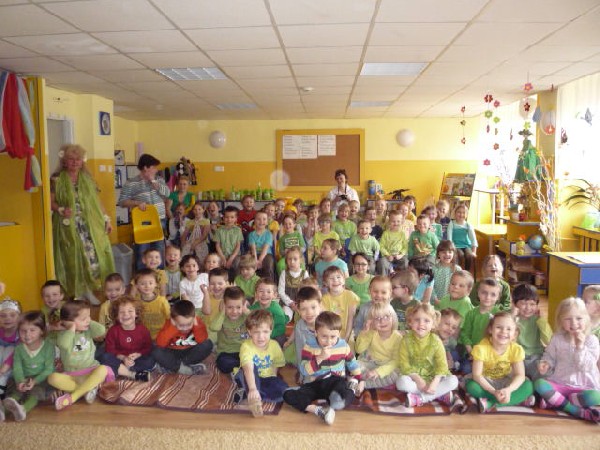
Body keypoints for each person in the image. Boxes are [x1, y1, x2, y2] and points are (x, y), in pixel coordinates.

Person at [51, 144, 115, 299]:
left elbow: (97, 202)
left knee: (93, 259)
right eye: (71, 159)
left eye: (78, 159)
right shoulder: (56, 180)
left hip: (89, 225)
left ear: (82, 162)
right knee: (74, 259)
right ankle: (80, 291)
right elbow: (50, 202)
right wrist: (60, 209)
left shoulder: (88, 179)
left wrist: (107, 219)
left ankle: (90, 289)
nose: (75, 162)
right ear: (64, 161)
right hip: (67, 226)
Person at [283, 311, 361, 425]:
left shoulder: (343, 345)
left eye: (333, 337)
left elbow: (352, 363)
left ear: (339, 334)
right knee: (287, 395)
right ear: (316, 333)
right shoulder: (309, 346)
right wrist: (319, 358)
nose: (329, 341)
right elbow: (304, 370)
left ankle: (349, 390)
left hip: (336, 381)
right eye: (324, 336)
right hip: (315, 383)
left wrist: (358, 378)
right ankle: (318, 410)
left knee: (341, 400)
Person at [534, 297, 600, 422]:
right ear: (561, 321)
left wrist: (580, 347)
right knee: (539, 384)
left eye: (579, 318)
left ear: (586, 319)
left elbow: (586, 366)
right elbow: (549, 355)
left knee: (596, 397)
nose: (574, 323)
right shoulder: (557, 338)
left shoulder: (592, 340)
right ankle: (574, 409)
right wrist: (546, 363)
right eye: (568, 319)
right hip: (560, 383)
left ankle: (556, 402)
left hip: (583, 387)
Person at [48, 299, 114, 410]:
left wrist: (88, 320)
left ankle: (73, 397)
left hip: (90, 372)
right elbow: (63, 345)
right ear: (69, 322)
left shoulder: (88, 331)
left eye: (89, 316)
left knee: (103, 369)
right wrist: (71, 327)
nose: (88, 320)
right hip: (72, 376)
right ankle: (87, 389)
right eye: (83, 319)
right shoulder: (64, 334)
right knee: (52, 378)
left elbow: (101, 330)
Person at [466, 312, 535, 412]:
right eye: (499, 327)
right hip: (486, 381)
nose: (503, 332)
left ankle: (491, 403)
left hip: (506, 381)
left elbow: (520, 375)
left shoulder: (516, 349)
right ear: (490, 329)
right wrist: (493, 391)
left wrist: (509, 390)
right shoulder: (481, 348)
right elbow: (477, 375)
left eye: (509, 329)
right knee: (471, 386)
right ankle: (514, 399)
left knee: (528, 386)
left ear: (515, 334)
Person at [396, 304, 459, 408]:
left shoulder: (436, 341)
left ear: (433, 324)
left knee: (453, 381)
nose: (421, 324)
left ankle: (421, 398)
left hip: (433, 377)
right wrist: (418, 379)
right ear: (410, 322)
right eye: (417, 320)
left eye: (426, 321)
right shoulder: (405, 340)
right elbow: (404, 364)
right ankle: (439, 394)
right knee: (401, 383)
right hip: (414, 377)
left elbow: (442, 366)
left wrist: (435, 382)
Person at [119, 153, 170, 271]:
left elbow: (167, 194)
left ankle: (159, 277)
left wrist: (154, 183)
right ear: (146, 168)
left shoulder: (159, 180)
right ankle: (142, 277)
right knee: (142, 251)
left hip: (160, 219)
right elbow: (122, 202)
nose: (156, 170)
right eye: (154, 167)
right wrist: (136, 203)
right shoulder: (131, 182)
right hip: (143, 223)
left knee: (158, 251)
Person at [233, 310, 288, 418]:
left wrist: (273, 379)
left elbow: (276, 364)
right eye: (256, 332)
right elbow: (248, 369)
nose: (261, 337)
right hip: (248, 376)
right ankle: (252, 395)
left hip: (266, 378)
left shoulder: (275, 345)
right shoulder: (246, 346)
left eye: (265, 332)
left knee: (284, 391)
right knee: (251, 369)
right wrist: (253, 389)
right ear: (249, 332)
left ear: (271, 331)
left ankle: (251, 399)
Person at [2, 312, 54, 422]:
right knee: (15, 392)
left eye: (32, 330)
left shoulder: (48, 347)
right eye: (23, 331)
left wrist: (34, 381)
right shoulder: (19, 348)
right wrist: (20, 381)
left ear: (42, 331)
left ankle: (23, 409)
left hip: (40, 379)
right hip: (22, 378)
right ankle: (3, 410)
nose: (27, 334)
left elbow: (49, 369)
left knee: (36, 393)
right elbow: (17, 368)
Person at [99, 296, 153, 381]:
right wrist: (123, 358)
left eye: (130, 311)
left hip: (136, 359)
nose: (126, 314)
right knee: (105, 357)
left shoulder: (143, 330)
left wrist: (138, 354)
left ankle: (121, 371)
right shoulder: (113, 331)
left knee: (150, 360)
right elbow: (110, 350)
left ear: (137, 313)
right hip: (119, 359)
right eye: (121, 312)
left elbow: (148, 347)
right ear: (116, 316)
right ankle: (131, 373)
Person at [153, 300, 212, 375]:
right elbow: (160, 343)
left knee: (207, 344)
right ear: (173, 320)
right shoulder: (169, 324)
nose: (185, 328)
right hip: (173, 352)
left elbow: (202, 340)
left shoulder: (197, 322)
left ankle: (177, 365)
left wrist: (196, 325)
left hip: (190, 352)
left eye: (189, 324)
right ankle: (181, 367)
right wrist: (173, 327)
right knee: (156, 350)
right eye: (181, 325)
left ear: (193, 318)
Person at [355, 302, 402, 394]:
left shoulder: (398, 338)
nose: (382, 321)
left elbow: (395, 361)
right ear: (371, 321)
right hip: (368, 364)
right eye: (377, 318)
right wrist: (365, 332)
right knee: (353, 365)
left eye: (386, 317)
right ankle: (375, 381)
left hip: (385, 366)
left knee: (397, 374)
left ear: (393, 318)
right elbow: (358, 350)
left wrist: (378, 372)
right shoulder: (371, 333)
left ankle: (365, 384)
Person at [457, 278, 502, 374]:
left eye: (493, 294)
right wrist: (471, 352)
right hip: (473, 352)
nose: (488, 297)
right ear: (478, 293)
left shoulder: (499, 315)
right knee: (467, 369)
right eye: (484, 293)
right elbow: (464, 334)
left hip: (492, 353)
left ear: (498, 297)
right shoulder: (471, 314)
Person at [512, 283, 552, 379]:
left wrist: (542, 320)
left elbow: (548, 341)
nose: (528, 308)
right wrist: (512, 318)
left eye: (532, 304)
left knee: (546, 373)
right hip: (516, 357)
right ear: (514, 304)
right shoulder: (511, 320)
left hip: (536, 356)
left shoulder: (537, 320)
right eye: (523, 303)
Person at [283, 286, 322, 378]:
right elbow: (300, 352)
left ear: (320, 306)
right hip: (308, 366)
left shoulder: (326, 324)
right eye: (304, 309)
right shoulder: (299, 326)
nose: (309, 312)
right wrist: (302, 373)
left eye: (313, 307)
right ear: (298, 310)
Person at [210, 286, 249, 374]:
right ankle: (244, 367)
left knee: (258, 357)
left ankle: (242, 368)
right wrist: (222, 312)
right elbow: (213, 328)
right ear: (224, 305)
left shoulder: (246, 316)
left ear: (243, 305)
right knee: (223, 364)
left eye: (238, 307)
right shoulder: (222, 317)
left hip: (244, 351)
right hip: (226, 353)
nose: (234, 311)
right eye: (230, 307)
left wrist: (246, 311)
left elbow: (259, 324)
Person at [321, 266, 359, 343]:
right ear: (325, 283)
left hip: (348, 332)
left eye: (338, 277)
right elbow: (326, 322)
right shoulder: (324, 299)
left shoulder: (351, 296)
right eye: (331, 278)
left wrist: (346, 337)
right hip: (330, 334)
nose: (335, 280)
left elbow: (351, 319)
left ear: (344, 280)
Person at [249, 279, 288, 347]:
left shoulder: (277, 311)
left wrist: (267, 335)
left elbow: (281, 328)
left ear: (274, 295)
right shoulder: (253, 308)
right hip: (259, 333)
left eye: (268, 292)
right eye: (261, 291)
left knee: (280, 340)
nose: (264, 294)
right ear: (256, 294)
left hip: (275, 333)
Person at [134, 269, 170, 340]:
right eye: (142, 284)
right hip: (143, 336)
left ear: (156, 284)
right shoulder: (136, 302)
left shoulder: (162, 301)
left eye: (150, 283)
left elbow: (169, 318)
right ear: (137, 285)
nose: (147, 286)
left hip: (161, 335)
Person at [278, 246, 309, 322]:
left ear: (301, 260)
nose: (292, 262)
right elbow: (281, 292)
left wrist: (299, 303)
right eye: (289, 259)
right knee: (286, 315)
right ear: (286, 260)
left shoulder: (304, 273)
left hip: (301, 303)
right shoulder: (284, 273)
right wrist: (290, 303)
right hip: (287, 303)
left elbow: (307, 291)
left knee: (305, 316)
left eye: (295, 259)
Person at [215, 206, 244, 282]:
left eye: (232, 217)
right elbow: (217, 245)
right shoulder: (219, 230)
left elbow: (238, 246)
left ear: (236, 218)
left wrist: (231, 258)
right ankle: (220, 282)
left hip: (235, 255)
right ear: (223, 218)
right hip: (222, 254)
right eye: (227, 217)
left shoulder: (238, 230)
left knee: (237, 262)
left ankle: (236, 283)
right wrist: (223, 257)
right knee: (216, 262)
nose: (229, 219)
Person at [447, 203, 477, 273]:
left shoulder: (468, 225)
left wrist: (474, 251)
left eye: (464, 213)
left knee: (469, 255)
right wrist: (450, 248)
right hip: (456, 246)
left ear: (466, 215)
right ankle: (458, 272)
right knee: (460, 255)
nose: (461, 214)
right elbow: (449, 237)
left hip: (466, 246)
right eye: (459, 212)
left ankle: (466, 272)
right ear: (455, 213)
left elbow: (473, 239)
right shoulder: (452, 224)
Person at [377, 210, 408, 275]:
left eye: (398, 221)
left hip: (399, 256)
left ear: (401, 222)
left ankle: (401, 278)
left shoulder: (402, 234)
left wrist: (401, 255)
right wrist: (387, 255)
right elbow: (381, 246)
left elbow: (405, 247)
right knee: (381, 262)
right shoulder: (385, 233)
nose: (396, 223)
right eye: (393, 221)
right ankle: (383, 279)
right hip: (388, 256)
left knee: (405, 262)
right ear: (389, 222)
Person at [0, 299, 20, 399]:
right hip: (1, 365)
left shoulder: (21, 333)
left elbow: (16, 354)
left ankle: (1, 384)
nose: (7, 318)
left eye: (12, 315)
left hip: (13, 367)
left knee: (11, 349)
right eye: (3, 316)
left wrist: (3, 370)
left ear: (19, 317)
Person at [248, 210, 275, 282]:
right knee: (249, 263)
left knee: (268, 262)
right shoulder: (251, 234)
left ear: (267, 222)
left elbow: (265, 249)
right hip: (254, 254)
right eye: (258, 219)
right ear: (254, 221)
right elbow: (253, 249)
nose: (261, 221)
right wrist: (255, 261)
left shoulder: (269, 234)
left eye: (264, 219)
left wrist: (260, 261)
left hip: (266, 254)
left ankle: (269, 283)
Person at [436, 308, 463, 373]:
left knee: (455, 354)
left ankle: (455, 365)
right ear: (437, 322)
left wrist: (450, 360)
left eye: (454, 328)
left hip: (444, 357)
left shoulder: (451, 341)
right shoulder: (431, 337)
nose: (450, 329)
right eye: (447, 324)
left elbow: (447, 350)